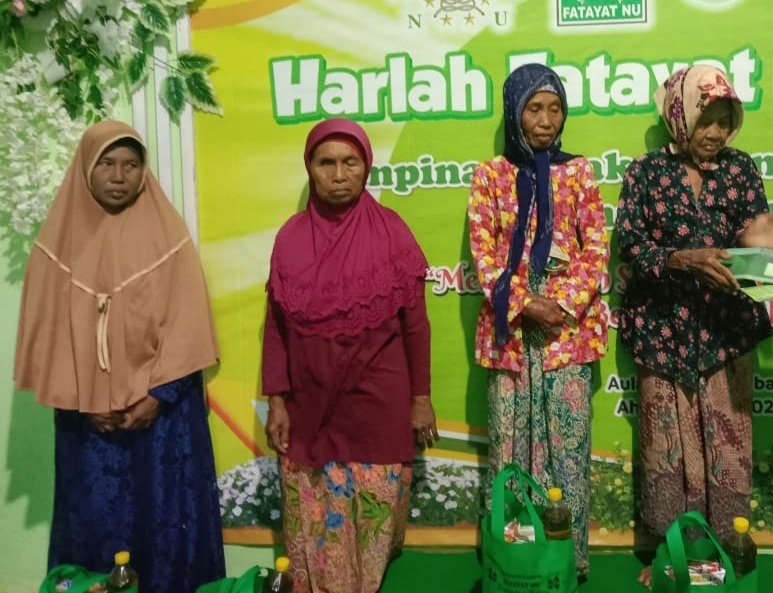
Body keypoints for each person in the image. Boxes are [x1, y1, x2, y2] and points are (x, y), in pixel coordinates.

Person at [14, 121, 225, 592]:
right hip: (88, 424)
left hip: (163, 419)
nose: (118, 176)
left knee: (165, 522)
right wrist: (83, 401)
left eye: (131, 165)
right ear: (85, 168)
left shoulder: (169, 237)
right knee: (95, 522)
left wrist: (158, 394)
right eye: (106, 164)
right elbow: (48, 338)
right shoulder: (55, 247)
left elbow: (188, 325)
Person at [615, 65, 773, 585]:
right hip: (663, 331)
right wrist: (683, 259)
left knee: (728, 445)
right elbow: (631, 244)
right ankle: (673, 553)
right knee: (668, 447)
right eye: (706, 120)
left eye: (724, 121)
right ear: (679, 116)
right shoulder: (646, 172)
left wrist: (769, 251)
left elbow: (756, 245)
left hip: (726, 332)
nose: (716, 133)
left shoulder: (741, 170)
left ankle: (723, 551)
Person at [262, 117, 437, 593]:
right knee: (317, 533)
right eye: (326, 163)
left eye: (350, 162)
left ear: (366, 167)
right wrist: (276, 400)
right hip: (309, 408)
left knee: (372, 533)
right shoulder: (290, 238)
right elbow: (276, 327)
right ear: (310, 168)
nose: (339, 175)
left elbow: (416, 327)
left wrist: (421, 400)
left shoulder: (392, 233)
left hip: (377, 406)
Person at [467, 63, 609, 576]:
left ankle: (568, 559)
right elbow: (484, 254)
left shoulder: (579, 172)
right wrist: (525, 302)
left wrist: (561, 304)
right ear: (514, 112)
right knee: (509, 447)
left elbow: (595, 249)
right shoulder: (490, 176)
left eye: (555, 109)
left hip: (567, 331)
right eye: (533, 109)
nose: (546, 121)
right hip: (510, 330)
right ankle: (515, 560)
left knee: (568, 447)